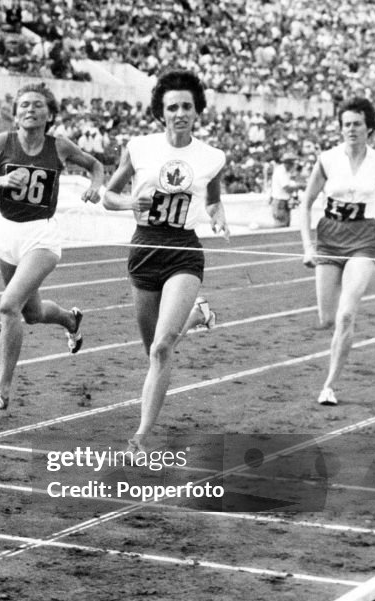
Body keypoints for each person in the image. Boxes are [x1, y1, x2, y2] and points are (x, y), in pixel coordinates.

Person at [0, 82, 105, 411]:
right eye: (23, 104)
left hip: (42, 236)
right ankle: (70, 320)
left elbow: (95, 165)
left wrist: (96, 187)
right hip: (7, 235)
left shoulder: (60, 146)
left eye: (37, 105)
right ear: (15, 113)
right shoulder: (0, 142)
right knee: (33, 313)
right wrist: (0, 180)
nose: (29, 109)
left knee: (9, 306)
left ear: (49, 114)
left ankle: (2, 391)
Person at [101, 69, 226, 451]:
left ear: (197, 110)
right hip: (144, 248)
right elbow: (108, 195)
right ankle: (197, 315)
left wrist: (219, 215)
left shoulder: (211, 156)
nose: (180, 112)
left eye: (187, 106)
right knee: (154, 349)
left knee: (160, 349)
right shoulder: (140, 147)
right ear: (161, 111)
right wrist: (128, 202)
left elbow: (215, 197)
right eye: (173, 106)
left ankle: (140, 436)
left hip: (183, 252)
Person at [299, 97, 375, 406]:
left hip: (363, 237)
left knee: (346, 315)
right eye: (346, 124)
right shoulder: (327, 159)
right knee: (326, 318)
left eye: (357, 124)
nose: (351, 129)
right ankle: (335, 342)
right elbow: (305, 203)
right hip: (329, 234)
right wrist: (307, 246)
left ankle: (329, 385)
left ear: (369, 127)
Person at [269, 152, 300, 227]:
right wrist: (300, 186)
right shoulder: (281, 171)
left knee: (285, 224)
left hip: (282, 202)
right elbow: (286, 188)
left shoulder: (284, 171)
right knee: (281, 226)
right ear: (289, 163)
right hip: (280, 202)